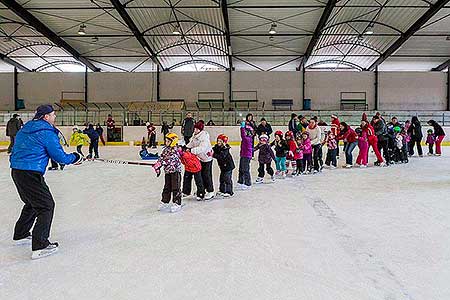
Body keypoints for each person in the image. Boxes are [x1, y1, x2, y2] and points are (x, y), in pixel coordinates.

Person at [10, 104, 83, 259]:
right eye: (53, 114)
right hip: (30, 172)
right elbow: (60, 157)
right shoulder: (46, 132)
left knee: (31, 203)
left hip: (16, 171)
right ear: (45, 117)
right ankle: (40, 245)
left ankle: (21, 233)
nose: (55, 117)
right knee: (46, 206)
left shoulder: (26, 128)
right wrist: (75, 157)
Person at [153, 133, 183, 213]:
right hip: (168, 172)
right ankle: (165, 201)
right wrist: (158, 166)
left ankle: (177, 203)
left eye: (168, 141)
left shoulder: (176, 149)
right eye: (165, 140)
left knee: (175, 188)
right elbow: (161, 158)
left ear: (173, 142)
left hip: (175, 172)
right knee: (167, 187)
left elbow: (170, 160)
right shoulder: (165, 149)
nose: (166, 142)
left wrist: (161, 163)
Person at [186, 120, 214, 200]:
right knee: (201, 175)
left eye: (197, 129)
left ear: (200, 129)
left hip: (207, 158)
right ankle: (202, 190)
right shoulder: (195, 135)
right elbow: (192, 143)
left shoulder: (204, 137)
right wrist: (186, 147)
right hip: (201, 158)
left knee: (207, 175)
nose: (195, 130)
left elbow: (202, 148)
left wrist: (191, 151)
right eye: (195, 128)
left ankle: (210, 191)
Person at [238, 121, 254, 189]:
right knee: (241, 169)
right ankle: (241, 181)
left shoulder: (248, 139)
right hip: (243, 155)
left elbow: (243, 136)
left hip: (246, 156)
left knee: (245, 169)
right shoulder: (247, 138)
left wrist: (242, 128)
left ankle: (248, 183)